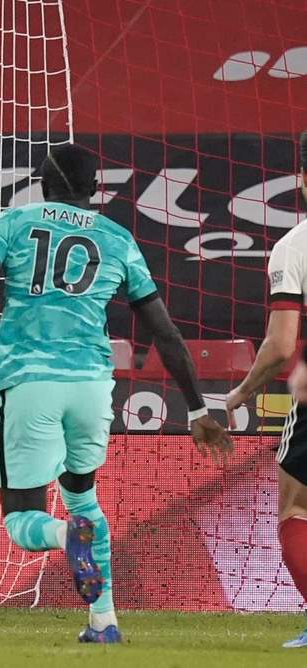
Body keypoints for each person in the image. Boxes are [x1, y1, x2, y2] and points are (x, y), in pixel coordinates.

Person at [0, 143, 233, 643]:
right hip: (93, 388)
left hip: (31, 383)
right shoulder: (118, 239)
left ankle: (65, 536)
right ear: (95, 190)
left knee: (22, 520)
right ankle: (104, 621)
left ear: (43, 186)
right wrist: (198, 409)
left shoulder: (15, 222)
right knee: (81, 495)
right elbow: (164, 332)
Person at [225, 131, 307, 649]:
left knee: (297, 507)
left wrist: (241, 392)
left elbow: (280, 347)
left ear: (302, 179)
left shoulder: (294, 246)